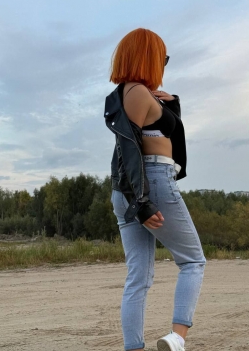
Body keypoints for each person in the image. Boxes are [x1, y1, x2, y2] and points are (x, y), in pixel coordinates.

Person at [104, 28, 206, 351]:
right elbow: (129, 149)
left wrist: (172, 105)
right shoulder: (136, 93)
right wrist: (141, 202)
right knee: (193, 261)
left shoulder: (135, 93)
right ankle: (177, 338)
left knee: (139, 278)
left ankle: (134, 347)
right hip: (148, 183)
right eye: (162, 58)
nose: (163, 64)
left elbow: (168, 131)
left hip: (132, 189)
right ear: (147, 57)